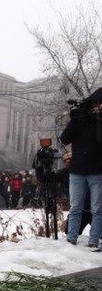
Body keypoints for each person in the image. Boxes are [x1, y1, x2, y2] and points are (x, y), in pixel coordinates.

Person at [60, 87, 102, 248]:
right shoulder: (80, 119)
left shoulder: (99, 121)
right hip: (77, 171)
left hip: (97, 170)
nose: (97, 107)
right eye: (96, 104)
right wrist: (74, 120)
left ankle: (94, 239)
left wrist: (100, 119)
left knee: (97, 209)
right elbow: (64, 139)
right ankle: (71, 238)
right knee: (76, 206)